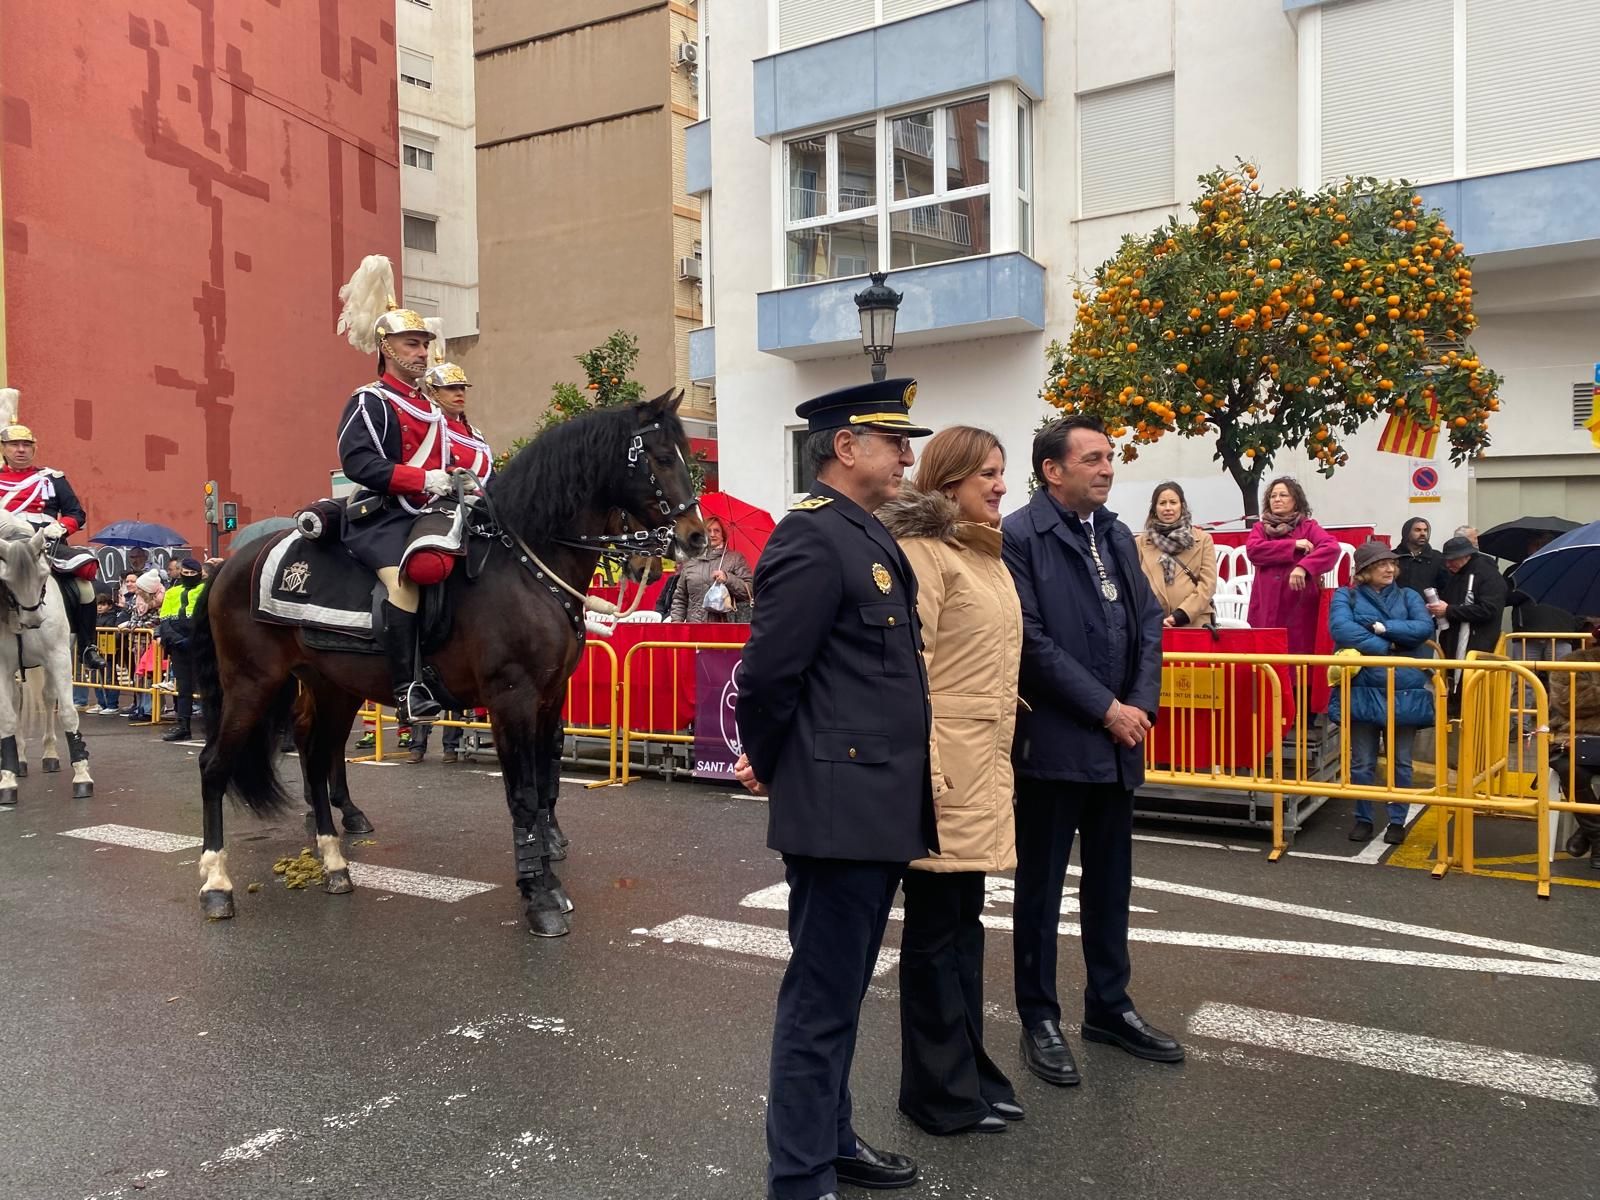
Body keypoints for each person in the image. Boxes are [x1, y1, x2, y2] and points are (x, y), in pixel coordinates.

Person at [733, 377, 935, 1200]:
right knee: (820, 999)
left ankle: (831, 1137)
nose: (908, 456)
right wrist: (781, 771)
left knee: (843, 990)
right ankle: (801, 1174)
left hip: (870, 802)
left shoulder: (862, 534)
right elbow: (768, 679)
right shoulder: (813, 538)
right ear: (846, 448)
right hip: (837, 806)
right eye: (894, 442)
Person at [1001, 415, 1179, 1091]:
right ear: (1054, 470)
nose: (1108, 468)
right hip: (1055, 743)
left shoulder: (1113, 534)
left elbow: (1147, 624)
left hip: (1115, 747)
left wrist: (1137, 705)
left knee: (1111, 886)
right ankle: (1038, 1017)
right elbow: (1030, 641)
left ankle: (1110, 1005)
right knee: (1040, 890)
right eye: (1094, 458)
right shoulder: (1019, 536)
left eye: (1109, 458)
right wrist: (1107, 709)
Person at [876, 425, 1022, 1137]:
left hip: (980, 772)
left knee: (964, 930)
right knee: (936, 939)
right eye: (987, 474)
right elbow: (908, 673)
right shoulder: (926, 555)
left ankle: (970, 1072)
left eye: (1003, 472)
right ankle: (937, 1094)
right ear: (948, 482)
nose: (1000, 485)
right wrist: (929, 774)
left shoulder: (983, 554)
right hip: (943, 779)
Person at [334, 255, 457, 722]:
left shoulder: (433, 407)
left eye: (426, 345)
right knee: (404, 583)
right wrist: (423, 478)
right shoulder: (370, 399)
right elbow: (359, 462)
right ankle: (408, 689)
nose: (423, 353)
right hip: (382, 514)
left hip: (431, 510)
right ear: (387, 348)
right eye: (412, 344)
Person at [1327, 542, 1435, 844]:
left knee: (1402, 760)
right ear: (1364, 571)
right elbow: (1341, 630)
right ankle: (1363, 817)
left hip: (1404, 687)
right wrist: (1389, 645)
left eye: (1391, 563)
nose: (1389, 569)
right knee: (1362, 761)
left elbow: (1422, 629)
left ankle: (1397, 820)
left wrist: (1380, 627)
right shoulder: (1345, 595)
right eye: (1380, 564)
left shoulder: (1409, 595)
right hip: (1364, 687)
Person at [0, 398, 106, 670]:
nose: (21, 450)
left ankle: (87, 647)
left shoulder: (52, 478)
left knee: (84, 586)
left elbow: (76, 513)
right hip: (5, 548)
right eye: (15, 445)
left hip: (46, 545)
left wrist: (60, 527)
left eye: (27, 445)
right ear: (3, 449)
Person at [1244, 477, 1341, 655]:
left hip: (1298, 602)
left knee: (1298, 653)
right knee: (1267, 652)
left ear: (1295, 500)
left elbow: (1332, 548)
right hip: (1267, 602)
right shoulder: (1260, 528)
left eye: (1283, 495)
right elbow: (1254, 550)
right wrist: (1293, 545)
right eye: (1273, 496)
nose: (1277, 499)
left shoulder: (1308, 527)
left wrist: (1303, 567)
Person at [1549, 619, 1600, 870]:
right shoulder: (1573, 662)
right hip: (1574, 738)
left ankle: (1589, 831)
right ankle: (1598, 838)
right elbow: (1572, 703)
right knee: (1571, 769)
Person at [1134, 481, 1217, 628]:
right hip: (1154, 624)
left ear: (1182, 506)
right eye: (1162, 503)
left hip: (1194, 622)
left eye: (1173, 502)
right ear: (1154, 508)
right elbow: (1135, 586)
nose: (1168, 508)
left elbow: (1208, 584)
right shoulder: (1140, 543)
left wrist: (1182, 614)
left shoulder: (1203, 540)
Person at [1429, 535, 1508, 662]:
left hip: (1475, 646)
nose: (1448, 564)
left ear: (1467, 556)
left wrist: (1448, 610)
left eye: (1452, 559)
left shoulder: (1487, 575)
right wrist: (1437, 608)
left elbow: (1488, 609)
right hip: (1454, 643)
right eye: (1446, 560)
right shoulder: (1458, 574)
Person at [156, 558, 206, 742]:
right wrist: (176, 639)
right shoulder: (172, 592)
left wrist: (193, 639)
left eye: (193, 574)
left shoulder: (205, 590)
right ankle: (183, 726)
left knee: (207, 686)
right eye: (186, 573)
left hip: (200, 644)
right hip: (178, 645)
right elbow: (164, 619)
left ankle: (212, 726)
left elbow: (206, 619)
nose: (189, 577)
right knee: (183, 688)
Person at [668, 516, 752, 623]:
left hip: (725, 627)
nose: (712, 534)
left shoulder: (735, 559)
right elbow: (680, 597)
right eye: (708, 531)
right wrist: (676, 622)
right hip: (695, 626)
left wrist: (728, 579)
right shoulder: (690, 561)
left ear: (723, 535)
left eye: (717, 531)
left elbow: (749, 590)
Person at [1394, 517, 1445, 599]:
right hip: (1398, 607)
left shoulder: (1437, 558)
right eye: (1417, 530)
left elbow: (1445, 587)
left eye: (1425, 530)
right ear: (1406, 533)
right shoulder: (1393, 557)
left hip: (1428, 608)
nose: (1423, 533)